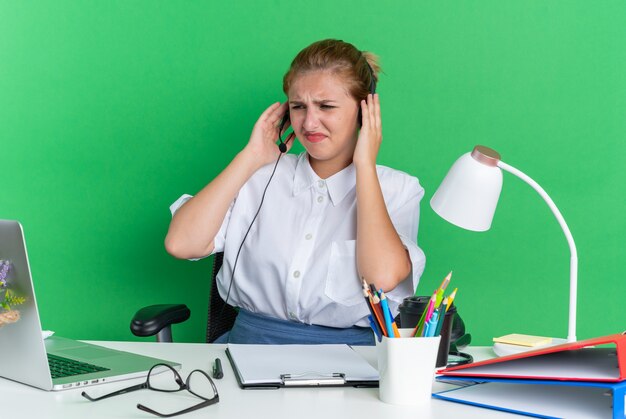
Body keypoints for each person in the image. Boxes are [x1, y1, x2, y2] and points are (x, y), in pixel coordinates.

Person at [165, 39, 425, 345]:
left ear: (364, 111)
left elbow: (381, 279)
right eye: (298, 107)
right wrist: (250, 156)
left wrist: (365, 165)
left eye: (326, 106)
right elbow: (181, 244)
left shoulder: (399, 189)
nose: (309, 122)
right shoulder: (259, 176)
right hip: (248, 351)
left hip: (352, 362)